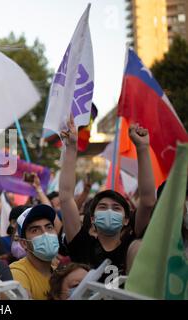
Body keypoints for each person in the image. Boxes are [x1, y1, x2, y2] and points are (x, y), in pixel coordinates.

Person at [59, 118, 156, 275]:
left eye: (116, 208)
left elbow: (148, 200)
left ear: (126, 219)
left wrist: (142, 148)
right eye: (102, 207)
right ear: (92, 218)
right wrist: (71, 148)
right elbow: (65, 197)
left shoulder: (131, 245)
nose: (109, 211)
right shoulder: (81, 244)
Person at [9, 204, 60, 300]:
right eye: (35, 230)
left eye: (49, 227)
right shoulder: (17, 273)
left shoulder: (58, 273)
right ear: (24, 243)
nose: (45, 234)